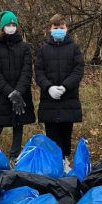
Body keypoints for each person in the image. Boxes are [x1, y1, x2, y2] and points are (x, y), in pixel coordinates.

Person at [35, 13, 85, 165]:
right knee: (52, 134)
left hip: (68, 99)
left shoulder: (74, 48)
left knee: (66, 133)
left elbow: (78, 70)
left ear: (66, 28)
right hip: (49, 101)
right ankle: (54, 164)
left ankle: (65, 161)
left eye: (61, 28)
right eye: (55, 28)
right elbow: (39, 72)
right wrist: (49, 87)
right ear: (50, 29)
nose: (58, 30)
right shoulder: (44, 50)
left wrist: (65, 86)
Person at [0, 10, 35, 159]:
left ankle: (15, 156)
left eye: (14, 24)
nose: (11, 26)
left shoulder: (24, 47)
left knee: (18, 124)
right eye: (8, 24)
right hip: (2, 95)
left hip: (21, 94)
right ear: (2, 26)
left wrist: (18, 92)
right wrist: (9, 92)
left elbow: (27, 71)